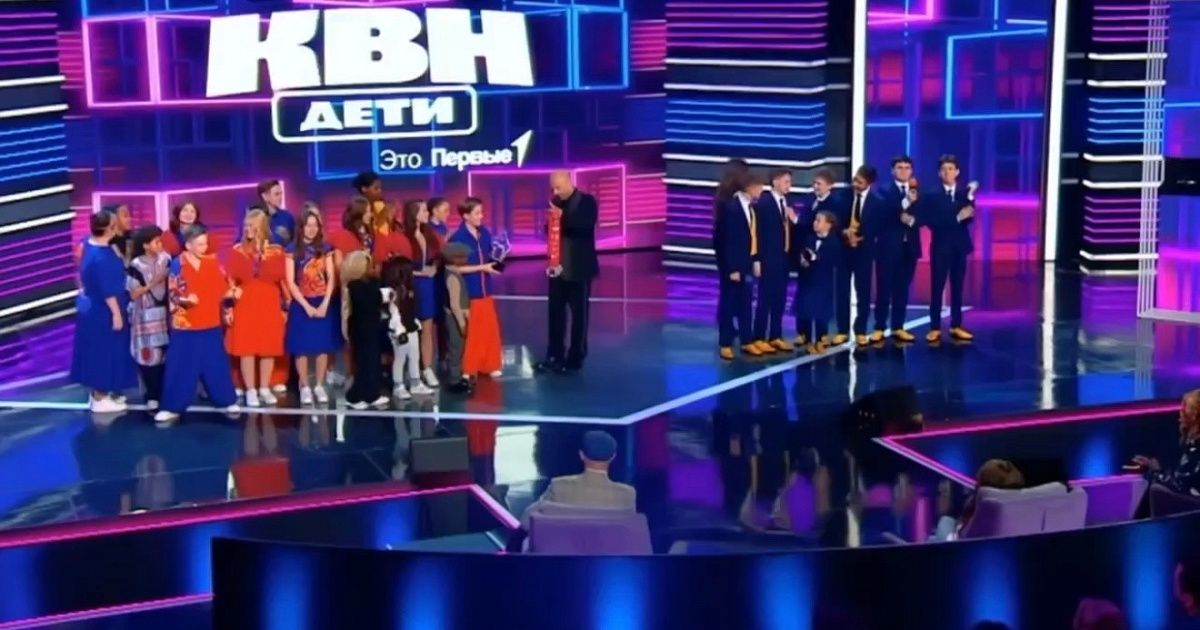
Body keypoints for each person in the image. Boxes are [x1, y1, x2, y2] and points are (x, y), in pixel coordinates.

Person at [154, 225, 239, 424]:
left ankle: (226, 401)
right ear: (188, 245)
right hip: (186, 325)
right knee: (180, 366)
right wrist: (186, 300)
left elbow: (224, 288)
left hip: (210, 322)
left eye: (205, 243)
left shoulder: (213, 262)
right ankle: (172, 407)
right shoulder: (178, 264)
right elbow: (173, 294)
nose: (204, 247)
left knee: (216, 364)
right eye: (200, 244)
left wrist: (232, 295)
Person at [71, 210, 139, 413]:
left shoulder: (89, 246)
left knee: (102, 350)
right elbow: (108, 289)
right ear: (110, 228)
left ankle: (103, 393)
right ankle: (99, 397)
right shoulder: (101, 257)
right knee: (102, 352)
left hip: (95, 309)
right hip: (104, 311)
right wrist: (116, 314)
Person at [536, 171, 599, 374]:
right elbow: (549, 230)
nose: (555, 192)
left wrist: (562, 217)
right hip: (558, 268)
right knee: (555, 313)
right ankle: (555, 355)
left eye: (558, 187)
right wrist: (552, 221)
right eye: (553, 188)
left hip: (579, 268)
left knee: (579, 315)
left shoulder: (587, 201)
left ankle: (575, 357)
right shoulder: (555, 202)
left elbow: (585, 226)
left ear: (568, 182)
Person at [226, 209, 287, 407]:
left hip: (269, 301)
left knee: (268, 347)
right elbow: (230, 280)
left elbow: (280, 277)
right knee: (247, 347)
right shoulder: (237, 250)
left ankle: (264, 388)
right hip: (245, 302)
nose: (248, 229)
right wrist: (229, 308)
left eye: (252, 226)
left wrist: (286, 307)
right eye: (245, 225)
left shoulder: (276, 250)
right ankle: (250, 390)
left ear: (262, 227)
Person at [521, 430, 636, 526]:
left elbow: (526, 521)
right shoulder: (627, 494)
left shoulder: (560, 485)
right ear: (613, 457)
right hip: (609, 545)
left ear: (581, 455)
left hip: (562, 545)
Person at [285, 207, 340, 405]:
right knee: (301, 346)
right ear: (301, 227)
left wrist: (325, 303)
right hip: (302, 303)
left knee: (322, 345)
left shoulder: (325, 248)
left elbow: (331, 278)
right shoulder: (292, 249)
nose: (311, 229)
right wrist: (306, 306)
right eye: (308, 225)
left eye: (315, 225)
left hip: (323, 301)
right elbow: (290, 281)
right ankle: (305, 386)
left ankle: (319, 385)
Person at [448, 198, 503, 382]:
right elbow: (455, 269)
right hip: (469, 291)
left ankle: (491, 364)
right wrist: (481, 268)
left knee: (489, 330)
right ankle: (470, 367)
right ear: (466, 216)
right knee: (472, 332)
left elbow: (490, 256)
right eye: (477, 213)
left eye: (481, 212)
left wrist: (498, 260)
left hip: (486, 289)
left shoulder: (484, 233)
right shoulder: (458, 238)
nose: (481, 216)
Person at [923, 154, 976, 343]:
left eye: (951, 169)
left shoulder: (963, 193)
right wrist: (956, 218)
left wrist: (970, 201)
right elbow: (932, 221)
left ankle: (956, 325)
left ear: (957, 172)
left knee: (958, 286)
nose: (947, 172)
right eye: (944, 169)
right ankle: (935, 327)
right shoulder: (931, 195)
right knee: (937, 287)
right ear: (939, 173)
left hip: (959, 246)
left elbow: (968, 217)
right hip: (940, 247)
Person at [715, 172, 764, 360]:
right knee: (728, 304)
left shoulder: (752, 208)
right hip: (733, 267)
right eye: (759, 187)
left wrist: (756, 259)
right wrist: (732, 268)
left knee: (746, 303)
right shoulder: (730, 208)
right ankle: (725, 343)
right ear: (749, 187)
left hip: (748, 263)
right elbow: (726, 241)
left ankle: (746, 340)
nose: (761, 191)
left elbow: (753, 236)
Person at [874, 155, 921, 342]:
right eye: (899, 167)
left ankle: (898, 327)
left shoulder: (918, 191)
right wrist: (906, 202)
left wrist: (912, 220)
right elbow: (884, 213)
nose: (903, 171)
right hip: (887, 248)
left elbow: (924, 214)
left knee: (902, 289)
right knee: (884, 288)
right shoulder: (884, 190)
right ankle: (879, 327)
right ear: (892, 170)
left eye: (907, 167)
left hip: (909, 248)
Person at [837, 165, 883, 346]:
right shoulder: (843, 196)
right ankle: (842, 330)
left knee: (863, 292)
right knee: (842, 291)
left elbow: (878, 229)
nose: (855, 184)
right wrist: (844, 232)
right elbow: (835, 221)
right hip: (843, 250)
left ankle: (861, 330)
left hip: (864, 252)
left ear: (869, 183)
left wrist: (861, 238)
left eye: (860, 182)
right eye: (855, 179)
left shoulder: (877, 203)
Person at [126, 225, 171, 409]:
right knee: (149, 356)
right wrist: (154, 282)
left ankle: (164, 393)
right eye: (156, 241)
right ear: (145, 245)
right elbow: (133, 293)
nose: (160, 244)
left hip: (166, 316)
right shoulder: (136, 265)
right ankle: (151, 395)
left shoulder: (167, 259)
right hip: (145, 318)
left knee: (165, 355)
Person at [796, 168, 842, 346]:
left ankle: (822, 335)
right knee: (804, 299)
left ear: (830, 185)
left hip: (823, 274)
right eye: (814, 183)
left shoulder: (836, 203)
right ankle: (804, 334)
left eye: (819, 184)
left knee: (821, 302)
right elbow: (803, 224)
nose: (815, 187)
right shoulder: (809, 200)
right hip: (806, 261)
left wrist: (816, 258)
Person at [752, 168, 795, 353]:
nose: (789, 186)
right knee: (765, 299)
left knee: (780, 298)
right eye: (786, 182)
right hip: (768, 258)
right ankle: (759, 336)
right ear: (775, 181)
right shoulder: (764, 202)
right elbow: (758, 233)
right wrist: (757, 259)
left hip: (783, 258)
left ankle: (776, 335)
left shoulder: (786, 202)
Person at [341, 250, 390, 409]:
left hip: (373, 327)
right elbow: (363, 303)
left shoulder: (372, 283)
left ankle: (372, 394)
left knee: (374, 361)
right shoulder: (354, 286)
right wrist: (380, 296)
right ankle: (355, 396)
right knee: (363, 362)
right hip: (360, 329)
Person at [401, 199, 442, 387]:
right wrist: (419, 273)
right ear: (413, 214)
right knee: (410, 329)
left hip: (427, 285)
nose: (427, 213)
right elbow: (401, 267)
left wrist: (434, 268)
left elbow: (438, 256)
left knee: (427, 328)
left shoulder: (429, 234)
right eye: (423, 210)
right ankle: (411, 370)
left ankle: (427, 368)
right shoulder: (404, 237)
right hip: (411, 285)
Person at [382, 257, 434, 400]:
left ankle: (415, 383)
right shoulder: (392, 291)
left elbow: (411, 308)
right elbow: (391, 311)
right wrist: (398, 328)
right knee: (400, 358)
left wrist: (415, 322)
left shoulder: (411, 288)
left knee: (414, 356)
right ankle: (398, 386)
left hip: (411, 326)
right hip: (399, 330)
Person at [1132, 389, 1200, 496]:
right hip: (1188, 499)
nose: (1180, 417)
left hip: (1191, 504)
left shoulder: (1196, 449)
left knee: (1154, 489)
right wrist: (1157, 470)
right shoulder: (1192, 445)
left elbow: (1182, 486)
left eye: (1184, 411)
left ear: (1194, 417)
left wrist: (1156, 474)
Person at [795, 211, 841, 355]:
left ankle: (821, 338)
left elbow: (831, 260)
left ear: (828, 225)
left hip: (823, 281)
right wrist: (803, 261)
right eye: (815, 220)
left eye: (819, 221)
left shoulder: (834, 243)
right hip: (807, 280)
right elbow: (801, 254)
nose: (815, 223)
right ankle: (808, 339)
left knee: (821, 311)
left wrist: (816, 258)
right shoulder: (808, 238)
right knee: (807, 309)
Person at [441, 242, 472, 394]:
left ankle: (457, 376)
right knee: (456, 348)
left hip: (457, 317)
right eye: (464, 257)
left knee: (458, 347)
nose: (466, 259)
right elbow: (454, 304)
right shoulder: (452, 278)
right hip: (455, 319)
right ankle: (454, 380)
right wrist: (461, 323)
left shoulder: (453, 273)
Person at [254, 179, 295, 246]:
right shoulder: (254, 218)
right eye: (277, 194)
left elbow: (296, 242)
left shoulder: (287, 217)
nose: (280, 197)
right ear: (265, 196)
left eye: (281, 193)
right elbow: (241, 243)